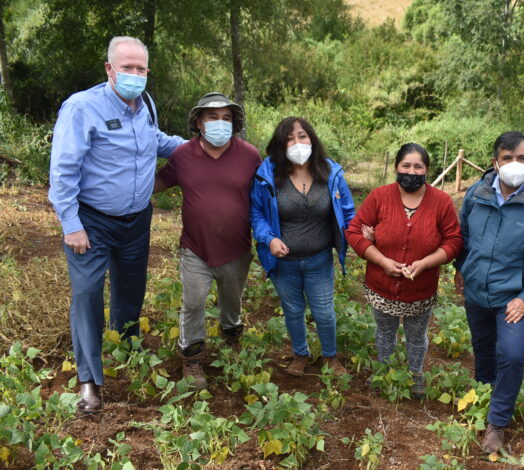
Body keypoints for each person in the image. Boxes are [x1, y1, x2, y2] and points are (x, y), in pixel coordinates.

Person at [48, 36, 184, 413]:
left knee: (130, 291)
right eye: (127, 67)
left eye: (141, 69)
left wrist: (197, 147)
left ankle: (126, 352)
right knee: (88, 293)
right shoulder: (82, 108)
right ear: (110, 69)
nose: (135, 74)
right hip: (92, 222)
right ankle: (89, 381)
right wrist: (71, 224)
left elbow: (155, 140)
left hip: (136, 222)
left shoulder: (146, 105)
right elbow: (62, 171)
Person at [454, 131, 524, 453]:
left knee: (512, 355)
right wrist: (461, 267)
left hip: (514, 298)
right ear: (495, 162)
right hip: (477, 291)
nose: (514, 164)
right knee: (483, 349)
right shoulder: (477, 193)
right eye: (507, 158)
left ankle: (497, 422)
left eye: (522, 158)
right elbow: (464, 234)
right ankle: (484, 397)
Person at [154, 92, 261, 390]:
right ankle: (192, 358)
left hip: (236, 247)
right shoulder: (183, 155)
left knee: (232, 302)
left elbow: (267, 195)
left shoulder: (249, 155)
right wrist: (123, 184)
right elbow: (158, 182)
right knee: (193, 303)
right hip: (195, 248)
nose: (220, 123)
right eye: (212, 117)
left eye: (226, 118)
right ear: (199, 122)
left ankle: (231, 342)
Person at [345, 143, 463, 398]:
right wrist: (382, 261)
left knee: (417, 336)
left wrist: (426, 263)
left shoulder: (441, 202)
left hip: (421, 288)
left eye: (418, 166)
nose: (411, 171)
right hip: (382, 285)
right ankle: (383, 371)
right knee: (384, 332)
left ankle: (415, 374)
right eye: (405, 165)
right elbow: (354, 232)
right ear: (397, 167)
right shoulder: (379, 197)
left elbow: (453, 241)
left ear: (427, 170)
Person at [250, 117, 355, 377]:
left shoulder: (330, 173)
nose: (297, 143)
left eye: (302, 136)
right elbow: (257, 213)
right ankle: (300, 354)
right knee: (293, 311)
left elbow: (348, 212)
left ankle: (330, 357)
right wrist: (269, 239)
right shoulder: (267, 175)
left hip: (319, 260)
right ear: (280, 144)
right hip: (283, 263)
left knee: (324, 313)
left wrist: (360, 234)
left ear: (312, 139)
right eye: (289, 139)